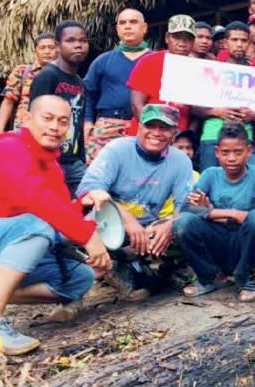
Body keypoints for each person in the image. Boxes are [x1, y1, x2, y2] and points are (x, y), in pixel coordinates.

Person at [0, 96, 111, 355]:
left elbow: (57, 215)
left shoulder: (51, 166)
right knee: (37, 224)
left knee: (79, 278)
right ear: (26, 118)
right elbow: (36, 201)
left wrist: (83, 204)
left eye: (62, 121)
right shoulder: (8, 149)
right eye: (47, 118)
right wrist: (89, 237)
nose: (55, 127)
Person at [77, 104, 194, 300]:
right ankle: (111, 268)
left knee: (187, 225)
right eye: (150, 126)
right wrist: (127, 219)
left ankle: (163, 272)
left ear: (174, 132)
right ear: (139, 127)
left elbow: (186, 206)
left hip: (149, 227)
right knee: (87, 229)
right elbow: (89, 190)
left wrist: (169, 225)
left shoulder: (181, 161)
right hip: (109, 221)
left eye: (164, 128)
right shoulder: (117, 149)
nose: (156, 133)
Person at [174, 122, 255, 301]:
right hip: (217, 239)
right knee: (183, 223)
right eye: (225, 153)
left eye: (238, 152)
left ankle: (247, 277)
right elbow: (187, 208)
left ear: (249, 151)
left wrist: (209, 211)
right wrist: (233, 214)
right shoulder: (210, 174)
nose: (232, 158)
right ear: (217, 152)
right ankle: (208, 277)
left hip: (244, 241)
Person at [29, 20, 90, 196]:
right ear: (58, 45)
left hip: (73, 161)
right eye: (70, 40)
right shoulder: (48, 76)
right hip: (49, 160)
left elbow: (77, 124)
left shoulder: (79, 82)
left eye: (83, 40)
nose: (78, 45)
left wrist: (81, 158)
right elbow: (36, 121)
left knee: (89, 203)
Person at [83, 8, 151, 162]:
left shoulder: (155, 60)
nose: (127, 26)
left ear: (144, 28)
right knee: (97, 173)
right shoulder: (103, 60)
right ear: (117, 29)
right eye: (122, 23)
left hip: (144, 126)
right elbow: (88, 93)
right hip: (107, 126)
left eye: (133, 22)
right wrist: (87, 122)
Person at [199, 22, 255, 171]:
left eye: (244, 40)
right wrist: (216, 111)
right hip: (212, 135)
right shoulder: (211, 70)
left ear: (249, 43)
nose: (239, 44)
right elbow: (194, 108)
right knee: (208, 184)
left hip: (244, 136)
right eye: (234, 40)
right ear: (225, 43)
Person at [127, 14, 195, 132]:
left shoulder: (197, 68)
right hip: (147, 134)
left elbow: (197, 110)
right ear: (167, 38)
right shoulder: (149, 62)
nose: (182, 43)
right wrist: (152, 131)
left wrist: (187, 136)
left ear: (193, 41)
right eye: (177, 37)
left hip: (179, 137)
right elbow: (136, 104)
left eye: (188, 38)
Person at [0, 33, 58, 134]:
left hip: (53, 129)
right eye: (42, 48)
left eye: (51, 47)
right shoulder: (22, 71)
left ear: (58, 50)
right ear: (35, 50)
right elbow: (8, 101)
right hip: (24, 127)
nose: (47, 51)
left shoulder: (63, 75)